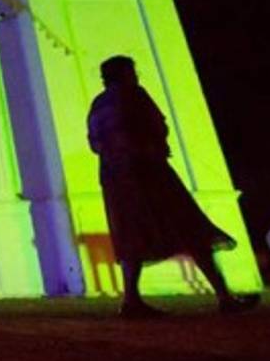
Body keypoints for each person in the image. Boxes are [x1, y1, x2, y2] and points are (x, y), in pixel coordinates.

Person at [87, 56, 259, 318]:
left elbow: (95, 143)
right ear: (125, 73)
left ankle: (131, 300)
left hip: (116, 178)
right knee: (190, 227)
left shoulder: (97, 105)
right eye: (132, 71)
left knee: (132, 235)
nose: (136, 75)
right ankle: (224, 296)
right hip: (148, 171)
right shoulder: (133, 94)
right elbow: (157, 125)